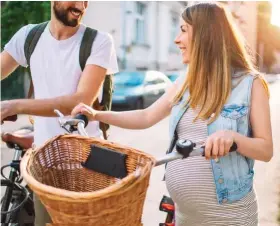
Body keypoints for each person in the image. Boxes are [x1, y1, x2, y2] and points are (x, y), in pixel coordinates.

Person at [72, 2, 273, 226]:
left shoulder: (250, 84)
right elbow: (146, 117)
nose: (177, 39)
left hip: (229, 218)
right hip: (185, 217)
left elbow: (265, 150)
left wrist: (234, 138)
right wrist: (97, 115)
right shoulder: (186, 82)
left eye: (184, 30)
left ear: (206, 35)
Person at [1, 1, 118, 225]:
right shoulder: (29, 37)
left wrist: (13, 106)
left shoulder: (98, 41)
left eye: (86, 0)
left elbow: (80, 101)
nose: (81, 5)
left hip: (86, 166)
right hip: (45, 164)